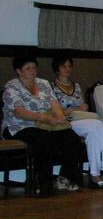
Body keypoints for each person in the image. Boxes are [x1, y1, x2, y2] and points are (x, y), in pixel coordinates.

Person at [2, 54, 82, 193]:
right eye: (28, 68)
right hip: (20, 125)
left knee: (71, 138)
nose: (32, 70)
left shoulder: (43, 84)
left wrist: (60, 116)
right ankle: (40, 180)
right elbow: (19, 112)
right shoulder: (12, 87)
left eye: (34, 67)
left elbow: (54, 103)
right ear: (19, 71)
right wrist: (44, 119)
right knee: (43, 139)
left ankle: (66, 176)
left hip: (46, 124)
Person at [50, 55, 103, 188]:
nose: (68, 69)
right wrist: (75, 110)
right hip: (64, 123)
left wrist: (83, 108)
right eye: (64, 66)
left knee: (94, 131)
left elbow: (83, 105)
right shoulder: (51, 87)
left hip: (81, 120)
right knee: (97, 124)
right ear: (57, 69)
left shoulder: (76, 86)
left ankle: (95, 174)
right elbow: (53, 111)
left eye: (69, 66)